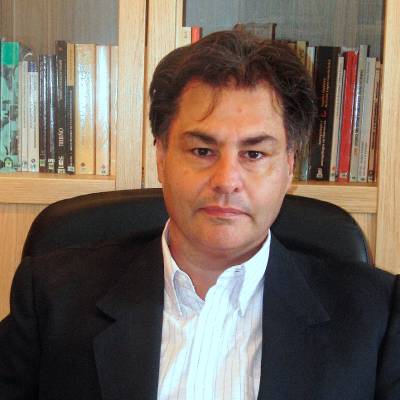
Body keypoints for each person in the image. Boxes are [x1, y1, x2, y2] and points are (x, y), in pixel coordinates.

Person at [0, 30, 399, 400]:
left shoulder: (377, 318)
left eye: (254, 154)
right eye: (202, 151)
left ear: (289, 166)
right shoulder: (52, 298)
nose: (226, 180)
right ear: (161, 157)